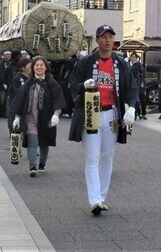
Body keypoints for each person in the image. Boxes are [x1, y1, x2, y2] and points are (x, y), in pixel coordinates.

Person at [68, 24, 137, 216]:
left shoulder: (121, 63)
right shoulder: (86, 62)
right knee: (92, 158)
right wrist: (83, 84)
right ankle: (94, 200)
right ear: (97, 40)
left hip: (112, 115)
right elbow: (72, 82)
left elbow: (132, 86)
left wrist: (131, 107)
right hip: (91, 113)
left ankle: (101, 197)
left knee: (107, 158)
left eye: (110, 37)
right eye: (103, 37)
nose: (107, 41)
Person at [10, 56, 66, 177]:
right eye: (36, 65)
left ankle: (42, 163)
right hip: (30, 119)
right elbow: (20, 100)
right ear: (33, 68)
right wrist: (17, 117)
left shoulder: (52, 83)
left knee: (44, 142)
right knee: (32, 141)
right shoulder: (28, 84)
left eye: (41, 65)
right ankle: (32, 166)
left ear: (46, 67)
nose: (39, 67)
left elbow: (58, 100)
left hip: (47, 119)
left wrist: (56, 114)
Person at [7, 58, 32, 135]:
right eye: (29, 66)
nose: (31, 68)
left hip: (28, 105)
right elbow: (15, 92)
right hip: (17, 104)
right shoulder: (18, 78)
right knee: (15, 126)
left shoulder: (32, 78)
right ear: (23, 68)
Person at [129, 52, 144, 120]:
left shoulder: (137, 64)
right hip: (128, 82)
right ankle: (135, 113)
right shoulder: (128, 63)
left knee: (135, 98)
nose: (133, 58)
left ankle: (137, 113)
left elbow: (132, 70)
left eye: (134, 57)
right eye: (131, 57)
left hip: (135, 83)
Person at [0, 50, 12, 117]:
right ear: (4, 55)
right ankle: (1, 113)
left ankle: (6, 113)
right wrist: (4, 82)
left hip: (10, 84)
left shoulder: (12, 63)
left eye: (9, 54)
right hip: (2, 85)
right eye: (6, 54)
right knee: (2, 99)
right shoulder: (1, 64)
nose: (8, 56)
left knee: (8, 100)